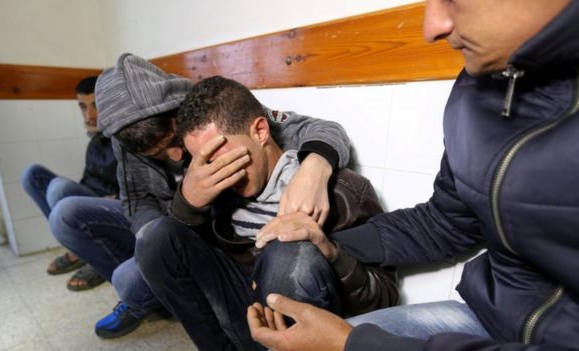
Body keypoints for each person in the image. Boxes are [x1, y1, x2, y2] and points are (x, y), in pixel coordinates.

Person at [247, 0, 579, 350]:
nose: (431, 27)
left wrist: (353, 345)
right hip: (486, 318)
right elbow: (447, 221)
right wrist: (327, 244)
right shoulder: (478, 87)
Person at [49, 53, 355, 339]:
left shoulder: (211, 109)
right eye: (158, 156)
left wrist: (316, 167)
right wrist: (177, 215)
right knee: (75, 221)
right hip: (175, 225)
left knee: (131, 278)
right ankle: (153, 290)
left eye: (173, 141)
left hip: (217, 235)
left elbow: (322, 129)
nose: (176, 154)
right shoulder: (124, 141)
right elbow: (136, 201)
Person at [135, 76, 399, 350]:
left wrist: (331, 252)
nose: (219, 173)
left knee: (288, 252)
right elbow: (181, 260)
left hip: (308, 327)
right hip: (244, 305)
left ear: (260, 132)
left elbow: (383, 298)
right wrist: (187, 204)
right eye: (205, 163)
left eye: (226, 159)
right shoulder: (213, 187)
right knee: (155, 237)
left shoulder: (343, 191)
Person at [20, 76, 111, 291]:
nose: (89, 114)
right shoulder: (95, 141)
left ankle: (96, 261)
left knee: (60, 189)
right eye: (83, 107)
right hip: (93, 199)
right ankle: (78, 248)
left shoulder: (125, 135)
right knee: (32, 175)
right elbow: (87, 181)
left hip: (115, 205)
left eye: (96, 105)